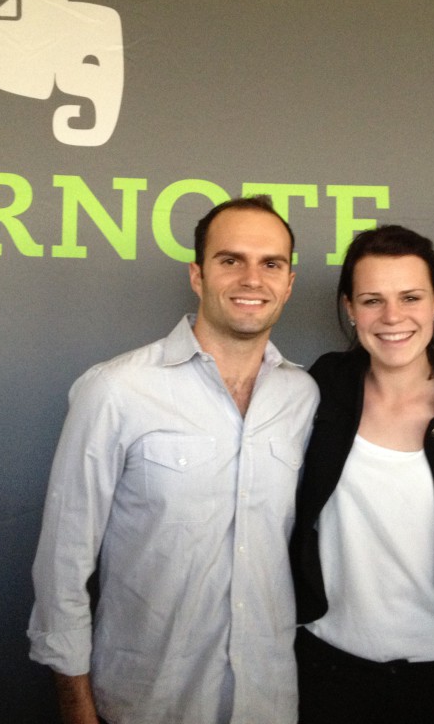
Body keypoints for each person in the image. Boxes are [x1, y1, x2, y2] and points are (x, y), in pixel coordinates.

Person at [27, 196, 319, 724]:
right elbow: (62, 563)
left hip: (268, 700)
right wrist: (76, 706)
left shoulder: (305, 397)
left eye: (271, 263)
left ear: (289, 282)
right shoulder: (117, 389)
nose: (252, 278)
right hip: (147, 702)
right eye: (231, 260)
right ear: (197, 274)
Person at [289, 225, 434, 724]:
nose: (392, 317)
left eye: (410, 297)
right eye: (371, 300)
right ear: (349, 308)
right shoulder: (318, 389)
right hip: (322, 667)